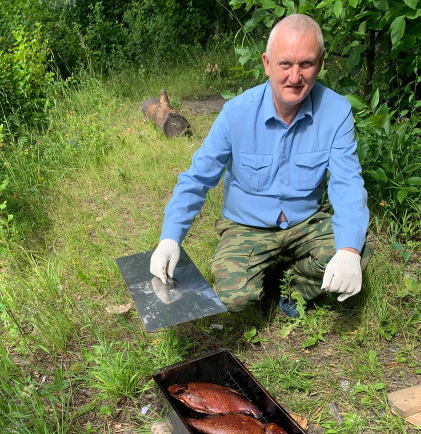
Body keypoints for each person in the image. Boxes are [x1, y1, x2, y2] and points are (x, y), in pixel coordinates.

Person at [149, 14, 372, 317]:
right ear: (267, 63)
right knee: (234, 297)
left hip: (304, 223)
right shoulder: (236, 114)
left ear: (320, 63)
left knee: (355, 252)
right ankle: (264, 272)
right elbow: (197, 178)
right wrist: (170, 237)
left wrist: (347, 251)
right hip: (246, 226)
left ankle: (295, 287)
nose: (295, 77)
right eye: (285, 64)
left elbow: (347, 184)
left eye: (306, 64)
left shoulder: (336, 112)